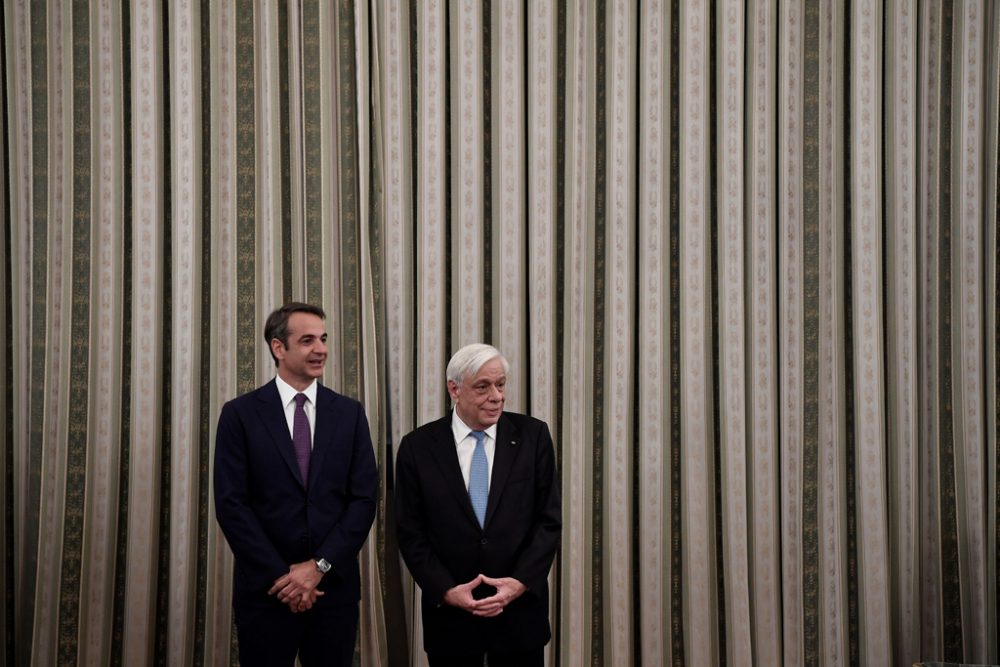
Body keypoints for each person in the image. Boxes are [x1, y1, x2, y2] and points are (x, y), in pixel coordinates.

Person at [214, 302, 378, 667]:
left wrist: (317, 567)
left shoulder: (349, 413)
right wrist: (283, 578)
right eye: (307, 340)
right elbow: (231, 504)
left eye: (323, 339)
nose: (321, 349)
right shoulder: (240, 414)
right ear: (278, 347)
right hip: (267, 591)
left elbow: (364, 499)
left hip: (332, 591)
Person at [394, 343, 561, 667]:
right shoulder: (417, 447)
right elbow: (410, 531)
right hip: (452, 619)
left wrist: (519, 583)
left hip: (519, 614)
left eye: (500, 385)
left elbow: (548, 521)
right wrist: (445, 590)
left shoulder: (533, 436)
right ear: (454, 389)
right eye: (483, 386)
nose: (496, 396)